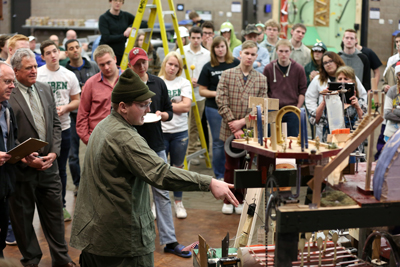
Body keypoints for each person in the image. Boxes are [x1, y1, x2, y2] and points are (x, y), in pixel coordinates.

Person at [70, 68, 238, 266]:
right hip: (120, 241)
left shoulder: (104, 126)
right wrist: (209, 182)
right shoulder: (124, 137)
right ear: (123, 107)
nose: (148, 110)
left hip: (96, 235)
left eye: (149, 104)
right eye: (142, 105)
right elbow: (161, 173)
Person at [9, 48, 76, 267]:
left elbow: (56, 125)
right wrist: (25, 157)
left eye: (35, 67)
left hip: (49, 166)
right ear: (16, 71)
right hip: (22, 170)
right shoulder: (9, 95)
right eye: (28, 68)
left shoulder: (45, 89)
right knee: (23, 220)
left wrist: (54, 153)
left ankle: (61, 258)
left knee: (55, 216)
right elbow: (7, 135)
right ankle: (31, 259)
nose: (34, 71)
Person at [127, 48, 191, 257]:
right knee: (131, 194)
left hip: (156, 144)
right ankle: (131, 240)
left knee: (162, 192)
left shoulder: (158, 83)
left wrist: (163, 115)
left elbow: (169, 111)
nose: (142, 67)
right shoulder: (126, 85)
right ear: (130, 65)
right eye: (137, 64)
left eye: (144, 62)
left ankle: (169, 240)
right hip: (132, 145)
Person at [216, 40, 268, 214]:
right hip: (229, 128)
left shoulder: (261, 79)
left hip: (250, 129)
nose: (249, 57)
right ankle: (228, 198)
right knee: (230, 166)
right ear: (240, 54)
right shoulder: (227, 75)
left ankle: (241, 197)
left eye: (253, 54)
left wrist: (242, 123)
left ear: (256, 56)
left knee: (246, 165)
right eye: (247, 53)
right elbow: (221, 101)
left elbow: (262, 107)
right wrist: (234, 125)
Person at [36, 40, 81, 221]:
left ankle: (61, 205)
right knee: (41, 167)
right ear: (43, 57)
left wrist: (66, 108)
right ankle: (42, 206)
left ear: (59, 52)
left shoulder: (68, 75)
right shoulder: (38, 74)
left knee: (61, 169)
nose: (53, 55)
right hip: (42, 130)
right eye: (48, 53)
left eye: (55, 51)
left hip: (63, 128)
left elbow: (77, 100)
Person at [156, 51, 192, 220]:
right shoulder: (157, 82)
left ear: (179, 68)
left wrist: (165, 105)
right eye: (170, 64)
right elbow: (153, 105)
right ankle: (157, 204)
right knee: (158, 169)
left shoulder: (184, 82)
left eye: (176, 65)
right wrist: (175, 104)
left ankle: (178, 202)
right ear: (164, 64)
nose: (172, 67)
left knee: (177, 168)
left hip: (179, 132)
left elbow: (186, 107)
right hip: (160, 132)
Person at [199, 36, 240, 180]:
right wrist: (217, 93)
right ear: (213, 49)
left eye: (222, 46)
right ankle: (219, 175)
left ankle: (233, 172)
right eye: (217, 47)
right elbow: (201, 90)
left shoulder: (235, 63)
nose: (220, 49)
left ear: (226, 47)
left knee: (233, 139)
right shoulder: (209, 66)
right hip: (214, 108)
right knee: (217, 142)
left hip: (234, 107)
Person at [305, 51, 367, 141]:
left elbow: (363, 97)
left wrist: (357, 105)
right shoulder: (318, 79)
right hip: (329, 133)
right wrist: (322, 103)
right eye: (325, 63)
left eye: (330, 61)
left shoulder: (353, 78)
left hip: (351, 138)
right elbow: (310, 99)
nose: (328, 64)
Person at [65, 39, 100, 196]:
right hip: (72, 117)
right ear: (67, 53)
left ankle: (94, 182)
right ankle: (78, 184)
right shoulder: (65, 71)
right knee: (73, 154)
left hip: (92, 115)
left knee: (95, 150)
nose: (75, 50)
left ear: (81, 48)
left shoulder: (92, 66)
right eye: (71, 48)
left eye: (77, 47)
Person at [76, 45, 121, 145]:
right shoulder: (91, 84)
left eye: (108, 62)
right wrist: (89, 140)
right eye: (102, 65)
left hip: (124, 138)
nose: (106, 67)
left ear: (115, 59)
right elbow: (82, 115)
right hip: (98, 139)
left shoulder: (128, 80)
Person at [178, 26, 210, 165]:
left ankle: (190, 152)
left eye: (198, 38)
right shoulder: (181, 52)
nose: (196, 40)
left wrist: (200, 82)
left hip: (199, 95)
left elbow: (208, 73)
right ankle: (181, 151)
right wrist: (186, 81)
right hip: (183, 94)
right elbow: (176, 70)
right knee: (182, 123)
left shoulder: (207, 54)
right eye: (193, 38)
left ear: (202, 38)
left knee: (195, 125)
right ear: (189, 37)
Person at [263, 39, 307, 137]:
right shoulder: (269, 68)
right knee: (271, 139)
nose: (284, 54)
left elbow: (302, 91)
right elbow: (264, 90)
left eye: (286, 51)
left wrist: (297, 108)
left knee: (292, 140)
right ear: (276, 51)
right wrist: (268, 107)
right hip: (273, 109)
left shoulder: (299, 69)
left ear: (290, 51)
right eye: (281, 51)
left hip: (292, 109)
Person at [0, 62, 18, 258]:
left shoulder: (7, 109)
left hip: (4, 187)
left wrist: (23, 153)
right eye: (7, 81)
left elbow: (12, 139)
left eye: (13, 82)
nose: (12, 86)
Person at [99, 0, 147, 65]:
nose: (118, 3)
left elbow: (144, 23)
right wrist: (124, 36)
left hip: (120, 53)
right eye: (115, 0)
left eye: (120, 1)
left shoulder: (125, 16)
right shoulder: (103, 18)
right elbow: (106, 38)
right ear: (110, 1)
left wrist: (131, 28)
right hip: (107, 53)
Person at [384, 62, 400, 141]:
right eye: (399, 75)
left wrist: (394, 110)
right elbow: (387, 114)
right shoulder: (392, 90)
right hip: (391, 133)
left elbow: (390, 112)